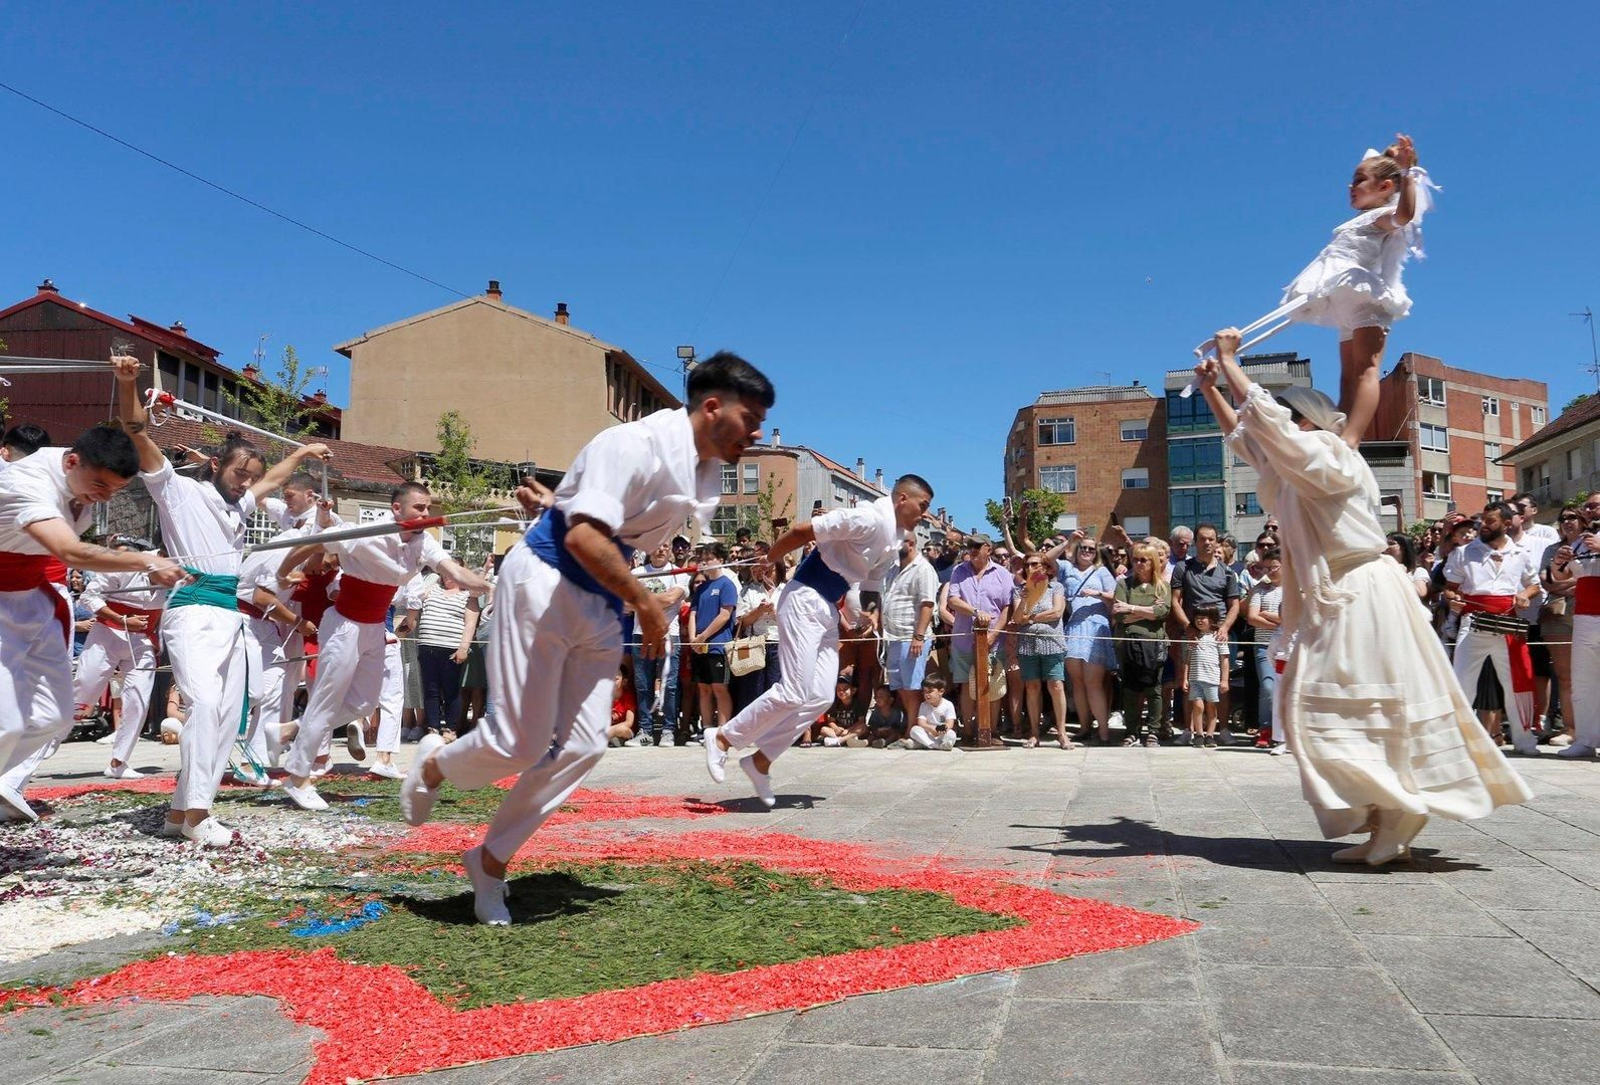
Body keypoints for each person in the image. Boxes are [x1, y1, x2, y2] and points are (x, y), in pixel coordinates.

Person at [403, 352, 774, 925]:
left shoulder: (700, 471)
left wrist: (558, 502)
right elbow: (581, 538)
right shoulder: (631, 444)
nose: (756, 434)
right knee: (519, 744)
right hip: (545, 584)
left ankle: (490, 861)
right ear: (711, 407)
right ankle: (433, 765)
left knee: (584, 746)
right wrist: (645, 603)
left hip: (600, 598)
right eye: (750, 419)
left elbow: (608, 524)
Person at [1194, 328, 1528, 866]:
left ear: (1307, 423)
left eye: (1288, 417)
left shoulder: (1330, 457)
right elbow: (1246, 436)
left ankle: (1398, 815)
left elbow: (1265, 425)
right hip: (1340, 594)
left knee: (1357, 705)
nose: (1275, 426)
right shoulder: (1295, 471)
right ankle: (1383, 817)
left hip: (1362, 591)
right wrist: (1214, 387)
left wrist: (1232, 362)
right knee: (1320, 706)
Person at [114, 355, 331, 846]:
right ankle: (198, 814)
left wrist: (303, 452)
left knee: (229, 715)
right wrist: (127, 383)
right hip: (191, 611)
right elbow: (137, 432)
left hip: (229, 617)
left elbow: (274, 480)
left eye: (250, 476)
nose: (245, 482)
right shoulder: (178, 490)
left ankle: (180, 813)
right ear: (217, 465)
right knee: (206, 707)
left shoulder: (240, 507)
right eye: (239, 472)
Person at [708, 475, 933, 803]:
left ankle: (760, 761)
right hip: (804, 597)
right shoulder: (867, 517)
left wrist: (872, 613)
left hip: (827, 607)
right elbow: (803, 531)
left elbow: (871, 587)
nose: (925, 514)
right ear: (902, 499)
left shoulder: (894, 539)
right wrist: (770, 557)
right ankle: (722, 739)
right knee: (794, 691)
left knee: (820, 697)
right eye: (922, 505)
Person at [0, 437, 188, 823]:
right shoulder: (26, 485)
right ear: (72, 462)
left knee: (56, 716)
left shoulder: (81, 474)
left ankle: (8, 782)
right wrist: (144, 561)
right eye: (100, 485)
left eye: (114, 490)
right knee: (8, 723)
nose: (103, 497)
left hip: (33, 600)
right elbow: (70, 552)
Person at [278, 483, 489, 810]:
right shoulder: (367, 533)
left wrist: (486, 585)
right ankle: (297, 777)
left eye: (428, 507)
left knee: (364, 703)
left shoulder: (422, 541)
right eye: (419, 507)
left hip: (376, 627)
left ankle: (296, 728)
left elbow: (453, 571)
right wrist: (292, 560)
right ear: (397, 509)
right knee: (326, 701)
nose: (425, 514)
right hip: (344, 624)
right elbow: (319, 541)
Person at [1277, 135, 1434, 446]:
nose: (1351, 186)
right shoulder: (1359, 220)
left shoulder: (1381, 217)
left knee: (1365, 370)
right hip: (1344, 300)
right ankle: (1340, 428)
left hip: (1364, 298)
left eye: (1360, 180)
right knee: (1348, 375)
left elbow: (1404, 215)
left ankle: (1352, 436)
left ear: (1385, 187)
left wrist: (1406, 173)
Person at [1443, 502, 1542, 755]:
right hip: (1473, 622)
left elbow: (1534, 585)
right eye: (1483, 521)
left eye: (1490, 521)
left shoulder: (1520, 553)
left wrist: (1524, 595)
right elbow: (1450, 588)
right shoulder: (1464, 552)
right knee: (1462, 681)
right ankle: (1456, 740)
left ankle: (1524, 740)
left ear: (1506, 524)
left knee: (1516, 681)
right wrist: (1453, 599)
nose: (1483, 526)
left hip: (1508, 624)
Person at [1171, 523, 1242, 738]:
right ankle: (1188, 730)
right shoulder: (1183, 568)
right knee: (1190, 683)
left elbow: (1235, 605)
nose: (1207, 543)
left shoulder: (1228, 573)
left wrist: (1225, 628)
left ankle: (1224, 729)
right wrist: (1188, 627)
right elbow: (1175, 601)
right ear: (1195, 542)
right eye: (1202, 539)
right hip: (1193, 633)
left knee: (1222, 683)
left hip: (1219, 635)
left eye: (1211, 539)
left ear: (1217, 542)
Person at [1047, 533, 1118, 743]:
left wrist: (1097, 594)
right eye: (1083, 547)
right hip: (1073, 627)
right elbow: (1048, 559)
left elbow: (1116, 596)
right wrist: (1067, 541)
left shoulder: (1101, 571)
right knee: (1077, 683)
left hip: (1096, 627)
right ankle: (1084, 728)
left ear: (1096, 553)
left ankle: (1103, 732)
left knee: (1093, 682)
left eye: (1091, 549)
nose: (1087, 551)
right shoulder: (1067, 568)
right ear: (1077, 549)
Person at [944, 534, 1014, 742]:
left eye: (977, 546)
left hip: (994, 641)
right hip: (964, 640)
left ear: (988, 549)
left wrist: (994, 634)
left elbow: (1007, 608)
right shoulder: (959, 571)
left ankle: (991, 731)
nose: (972, 549)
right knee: (967, 685)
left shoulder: (1002, 573)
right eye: (970, 546)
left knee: (992, 686)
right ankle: (967, 732)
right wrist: (975, 612)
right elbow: (953, 600)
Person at [1550, 501, 1599, 758]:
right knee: (1583, 681)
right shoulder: (1580, 542)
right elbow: (1560, 576)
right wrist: (1558, 562)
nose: (1590, 510)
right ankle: (1586, 740)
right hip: (1584, 617)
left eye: (1595, 505)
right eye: (1587, 507)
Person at [1112, 544, 1170, 748]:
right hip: (1129, 643)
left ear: (1153, 562)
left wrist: (1131, 608)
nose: (1138, 563)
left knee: (1154, 689)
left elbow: (1162, 613)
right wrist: (1148, 611)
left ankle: (1153, 731)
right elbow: (1120, 615)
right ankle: (1131, 731)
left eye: (1143, 560)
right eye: (1135, 559)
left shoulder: (1162, 586)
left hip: (1155, 643)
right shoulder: (1124, 584)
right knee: (1130, 689)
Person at [633, 541, 689, 745]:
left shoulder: (679, 573)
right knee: (643, 684)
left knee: (670, 685)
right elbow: (626, 603)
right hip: (641, 634)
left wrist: (641, 598)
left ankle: (668, 729)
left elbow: (671, 599)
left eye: (666, 546)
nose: (661, 549)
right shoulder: (637, 573)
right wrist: (660, 598)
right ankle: (645, 730)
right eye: (657, 545)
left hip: (669, 635)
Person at [1540, 505, 1587, 747]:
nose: (1567, 521)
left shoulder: (1592, 544)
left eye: (1573, 517)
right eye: (1563, 518)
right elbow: (1547, 582)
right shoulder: (1552, 549)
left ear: (1583, 520)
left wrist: (1567, 581)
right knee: (1565, 676)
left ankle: (1591, 729)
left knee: (1592, 674)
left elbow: (1589, 579)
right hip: (1558, 615)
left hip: (1589, 611)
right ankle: (1571, 729)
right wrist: (1574, 582)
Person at [1009, 552, 1067, 749]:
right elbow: (1018, 619)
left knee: (1056, 686)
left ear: (1046, 567)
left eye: (1035, 564)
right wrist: (1025, 601)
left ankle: (1062, 733)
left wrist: (1031, 618)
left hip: (1052, 642)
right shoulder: (1019, 590)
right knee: (1032, 688)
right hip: (1028, 644)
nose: (1030, 568)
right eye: (1027, 564)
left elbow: (1056, 613)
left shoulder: (1056, 587)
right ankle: (1034, 733)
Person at [880, 536, 937, 729]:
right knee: (900, 687)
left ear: (911, 544)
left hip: (911, 638)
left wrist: (918, 636)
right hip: (892, 638)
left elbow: (927, 604)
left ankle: (913, 730)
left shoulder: (923, 569)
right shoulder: (893, 568)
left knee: (912, 688)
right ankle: (911, 727)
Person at [687, 542, 738, 738]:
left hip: (718, 645)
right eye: (703, 559)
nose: (705, 562)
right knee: (703, 688)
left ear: (721, 560)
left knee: (719, 688)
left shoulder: (727, 585)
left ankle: (723, 731)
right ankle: (707, 729)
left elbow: (725, 615)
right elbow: (693, 613)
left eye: (709, 559)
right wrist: (693, 639)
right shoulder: (701, 588)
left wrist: (703, 636)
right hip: (699, 647)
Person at [731, 552, 783, 716]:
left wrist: (773, 612)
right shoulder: (748, 591)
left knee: (775, 688)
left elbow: (792, 622)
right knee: (752, 690)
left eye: (766, 565)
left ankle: (773, 725)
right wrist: (759, 611)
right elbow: (742, 622)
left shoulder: (786, 590)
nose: (762, 569)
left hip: (778, 643)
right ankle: (750, 725)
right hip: (753, 643)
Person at [1245, 549, 1286, 752]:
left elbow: (1297, 618)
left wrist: (1269, 616)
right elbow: (1253, 618)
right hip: (1263, 646)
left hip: (1288, 647)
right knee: (1268, 687)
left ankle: (1285, 731)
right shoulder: (1259, 589)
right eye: (1266, 568)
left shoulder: (1295, 589)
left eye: (1274, 567)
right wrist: (1281, 623)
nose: (1269, 571)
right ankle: (1266, 728)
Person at [1182, 609, 1228, 748]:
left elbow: (1224, 659)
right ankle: (1199, 734)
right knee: (1198, 706)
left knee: (1211, 706)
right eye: (1197, 618)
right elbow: (1187, 660)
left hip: (1212, 679)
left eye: (1203, 618)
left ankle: (1210, 735)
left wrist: (1224, 680)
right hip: (1195, 679)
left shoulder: (1218, 637)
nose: (1199, 621)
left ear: (1211, 620)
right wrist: (1185, 678)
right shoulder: (1193, 637)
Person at [909, 674, 959, 750]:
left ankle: (924, 744)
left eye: (930, 691)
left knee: (951, 734)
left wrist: (943, 729)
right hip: (929, 732)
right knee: (914, 730)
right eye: (925, 691)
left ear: (941, 691)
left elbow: (950, 723)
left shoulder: (948, 704)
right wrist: (931, 728)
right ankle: (937, 745)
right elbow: (921, 722)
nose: (927, 694)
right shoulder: (924, 705)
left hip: (941, 733)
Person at [608, 664, 637, 746]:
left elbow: (629, 723)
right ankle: (614, 740)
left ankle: (610, 738)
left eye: (615, 679)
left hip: (625, 731)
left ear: (624, 681)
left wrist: (611, 729)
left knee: (622, 729)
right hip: (608, 730)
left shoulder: (628, 697)